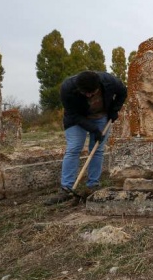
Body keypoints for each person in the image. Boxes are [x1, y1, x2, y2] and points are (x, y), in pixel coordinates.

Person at [44, 70, 127, 205]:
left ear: (98, 86)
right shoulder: (68, 88)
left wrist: (114, 110)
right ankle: (66, 188)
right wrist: (94, 130)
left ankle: (93, 184)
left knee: (97, 150)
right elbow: (73, 115)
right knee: (73, 148)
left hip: (101, 117)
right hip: (77, 119)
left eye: (92, 93)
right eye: (85, 93)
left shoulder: (109, 81)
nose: (88, 95)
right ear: (79, 89)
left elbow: (123, 92)